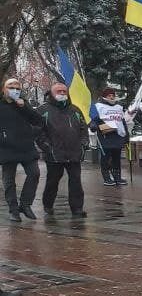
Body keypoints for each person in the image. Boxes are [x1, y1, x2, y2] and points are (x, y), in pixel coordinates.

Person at [36, 83, 88, 221]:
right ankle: (48, 204)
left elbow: (83, 129)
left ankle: (77, 208)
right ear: (51, 93)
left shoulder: (75, 110)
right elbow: (38, 132)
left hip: (74, 153)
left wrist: (83, 144)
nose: (62, 93)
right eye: (58, 91)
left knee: (76, 181)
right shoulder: (43, 110)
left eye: (64, 91)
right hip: (54, 154)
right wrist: (48, 147)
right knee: (53, 181)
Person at [1, 78, 42, 222]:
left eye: (17, 87)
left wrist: (24, 107)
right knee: (9, 181)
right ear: (4, 89)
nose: (15, 90)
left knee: (35, 174)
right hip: (6, 148)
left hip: (26, 147)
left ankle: (25, 204)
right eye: (11, 87)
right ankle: (13, 210)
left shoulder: (24, 103)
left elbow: (38, 120)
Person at [89, 87, 128, 187]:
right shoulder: (98, 106)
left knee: (116, 157)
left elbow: (122, 121)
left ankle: (117, 177)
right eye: (109, 96)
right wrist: (93, 125)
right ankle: (106, 177)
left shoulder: (118, 107)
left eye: (112, 95)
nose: (111, 97)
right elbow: (93, 119)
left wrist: (127, 134)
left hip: (117, 135)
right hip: (105, 134)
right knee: (105, 157)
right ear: (104, 96)